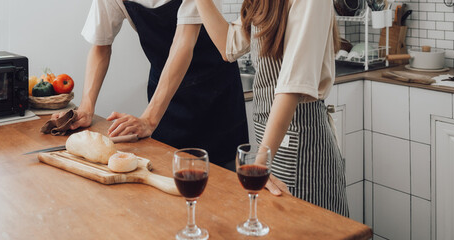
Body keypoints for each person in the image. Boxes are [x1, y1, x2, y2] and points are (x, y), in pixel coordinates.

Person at [53, 0, 249, 170]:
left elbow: (184, 43)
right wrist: (86, 108)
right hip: (166, 99)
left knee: (224, 184)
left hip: (214, 94)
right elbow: (101, 45)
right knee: (165, 171)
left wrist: (149, 119)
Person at [193, 0, 348, 215]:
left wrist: (258, 166)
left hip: (303, 148)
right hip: (270, 145)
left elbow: (292, 88)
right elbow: (227, 45)